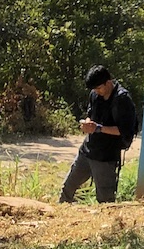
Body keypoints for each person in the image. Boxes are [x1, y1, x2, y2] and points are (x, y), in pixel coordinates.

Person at [59, 65, 138, 203]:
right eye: (94, 89)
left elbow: (124, 130)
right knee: (68, 188)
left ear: (108, 82)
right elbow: (91, 115)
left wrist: (99, 128)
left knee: (105, 200)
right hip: (87, 151)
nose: (97, 91)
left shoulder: (122, 100)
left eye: (99, 88)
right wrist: (88, 124)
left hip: (106, 157)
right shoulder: (95, 94)